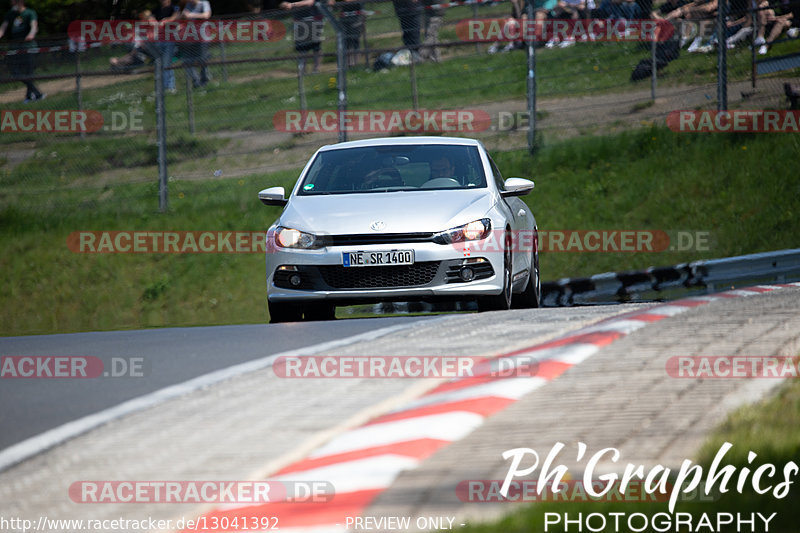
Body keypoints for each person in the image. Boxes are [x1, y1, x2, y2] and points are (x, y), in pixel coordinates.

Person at [0, 0, 44, 103]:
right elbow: (3, 27)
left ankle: (30, 96)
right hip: (15, 48)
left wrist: (31, 34)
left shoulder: (30, 12)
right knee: (14, 71)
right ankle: (37, 94)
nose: (11, 3)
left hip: (28, 47)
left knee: (29, 72)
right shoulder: (10, 14)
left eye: (14, 1)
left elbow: (34, 26)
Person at [280, 0, 325, 74]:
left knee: (316, 47)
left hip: (312, 20)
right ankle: (302, 70)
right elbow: (283, 4)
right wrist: (284, 4)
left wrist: (293, 4)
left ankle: (316, 69)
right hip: (298, 22)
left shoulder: (293, 3)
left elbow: (310, 2)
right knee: (301, 48)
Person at [180, 0, 212, 88]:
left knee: (202, 60)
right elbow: (183, 17)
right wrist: (183, 15)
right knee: (187, 61)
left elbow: (206, 15)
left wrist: (191, 15)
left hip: (203, 37)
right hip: (190, 38)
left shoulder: (204, 3)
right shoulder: (188, 5)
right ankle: (196, 81)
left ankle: (204, 80)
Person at [155, 0, 180, 92]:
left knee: (167, 63)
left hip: (170, 39)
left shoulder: (174, 8)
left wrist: (166, 21)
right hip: (160, 40)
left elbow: (176, 16)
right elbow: (148, 16)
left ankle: (170, 86)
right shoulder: (158, 10)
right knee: (160, 64)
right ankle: (163, 86)